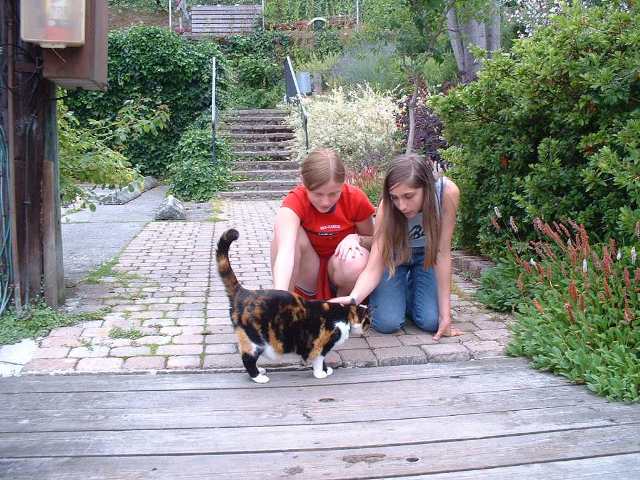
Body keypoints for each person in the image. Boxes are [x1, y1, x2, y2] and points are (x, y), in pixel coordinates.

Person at [332, 153, 462, 341]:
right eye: (395, 197)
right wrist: (354, 299)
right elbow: (374, 265)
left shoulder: (446, 193)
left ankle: (413, 289)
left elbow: (443, 253)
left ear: (426, 187)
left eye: (409, 196)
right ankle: (404, 291)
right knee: (387, 324)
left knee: (432, 321)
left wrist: (446, 316)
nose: (402, 205)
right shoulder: (387, 207)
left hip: (427, 257)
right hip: (395, 255)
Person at [271, 148, 375, 299]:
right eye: (318, 194)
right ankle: (286, 302)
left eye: (333, 193)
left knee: (356, 259)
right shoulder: (295, 201)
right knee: (285, 235)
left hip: (341, 270)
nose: (325, 202)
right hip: (308, 271)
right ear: (304, 183)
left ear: (343, 183)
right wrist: (278, 296)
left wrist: (357, 238)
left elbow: (375, 242)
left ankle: (342, 306)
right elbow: (285, 252)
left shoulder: (355, 199)